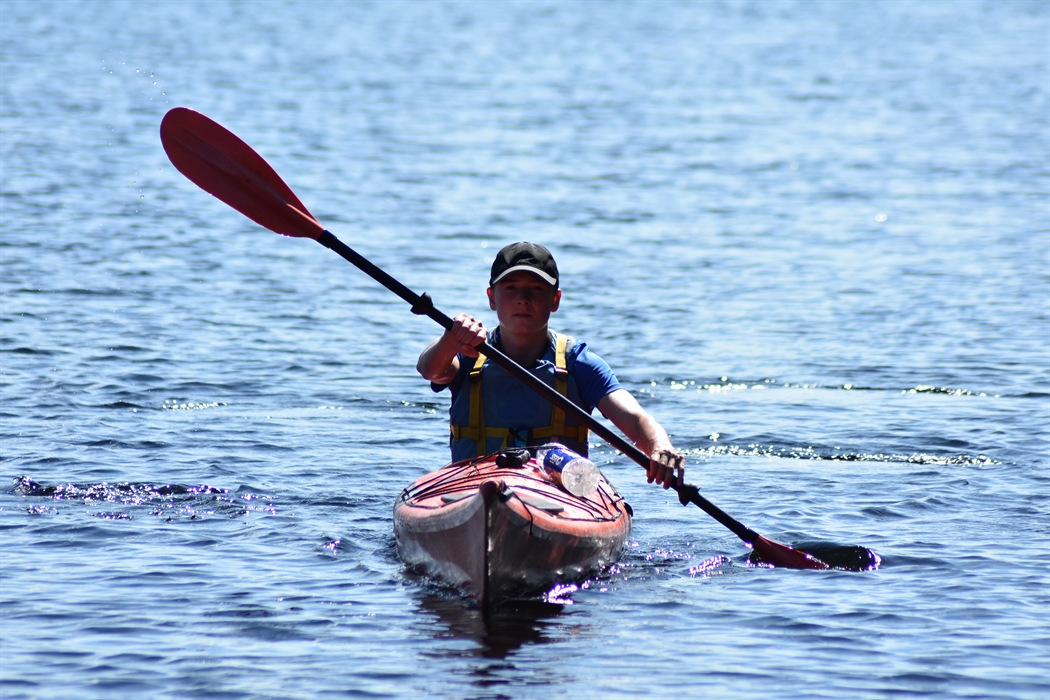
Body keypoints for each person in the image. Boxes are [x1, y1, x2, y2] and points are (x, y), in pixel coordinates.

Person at [417, 242, 685, 489]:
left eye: (536, 288)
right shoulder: (468, 352)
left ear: (555, 300)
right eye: (510, 288)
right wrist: (450, 340)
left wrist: (659, 444)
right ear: (492, 298)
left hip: (557, 493)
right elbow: (430, 370)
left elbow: (635, 419)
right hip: (475, 488)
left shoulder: (578, 363)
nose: (523, 298)